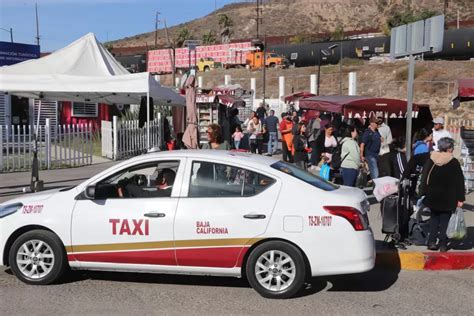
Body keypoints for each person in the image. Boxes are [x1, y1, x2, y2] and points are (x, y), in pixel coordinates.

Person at [419, 137, 465, 252]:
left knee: (434, 218)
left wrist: (423, 191)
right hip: (448, 196)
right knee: (445, 220)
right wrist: (460, 198)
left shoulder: (432, 159)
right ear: (449, 148)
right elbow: (459, 181)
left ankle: (431, 242)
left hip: (433, 195)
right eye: (452, 147)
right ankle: (443, 244)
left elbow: (425, 176)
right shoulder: (453, 162)